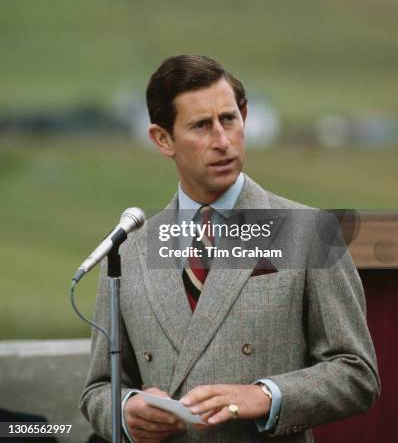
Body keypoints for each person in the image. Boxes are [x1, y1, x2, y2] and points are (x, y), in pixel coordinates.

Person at [80, 55, 380, 442]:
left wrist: (265, 396)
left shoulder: (307, 232)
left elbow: (356, 372)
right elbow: (98, 389)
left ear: (245, 116)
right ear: (162, 139)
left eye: (229, 119)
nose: (222, 141)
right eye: (201, 126)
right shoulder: (130, 248)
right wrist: (124, 413)